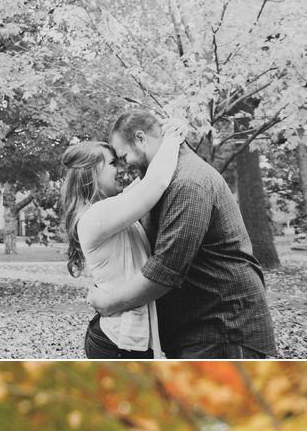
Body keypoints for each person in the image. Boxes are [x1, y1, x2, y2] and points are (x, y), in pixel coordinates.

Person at [86, 111, 278, 358]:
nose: (126, 165)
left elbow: (164, 272)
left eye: (124, 156)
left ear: (141, 138)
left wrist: (108, 303)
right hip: (198, 326)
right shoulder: (161, 180)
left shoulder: (187, 184)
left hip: (223, 328)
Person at [61, 132, 183, 362]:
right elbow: (155, 182)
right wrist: (173, 137)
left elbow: (146, 181)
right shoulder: (95, 217)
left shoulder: (107, 209)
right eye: (112, 164)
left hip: (123, 339)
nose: (120, 169)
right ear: (92, 171)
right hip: (117, 342)